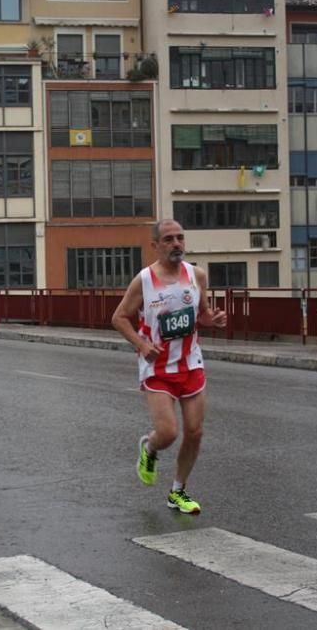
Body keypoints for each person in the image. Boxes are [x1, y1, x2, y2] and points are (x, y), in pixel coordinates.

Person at [111, 219, 227, 514]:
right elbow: (119, 317)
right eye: (169, 239)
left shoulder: (196, 276)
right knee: (168, 433)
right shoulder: (145, 280)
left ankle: (178, 491)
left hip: (191, 363)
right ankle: (149, 448)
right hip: (158, 367)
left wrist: (210, 320)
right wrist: (141, 345)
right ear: (156, 245)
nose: (176, 244)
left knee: (195, 431)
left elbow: (201, 315)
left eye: (180, 238)